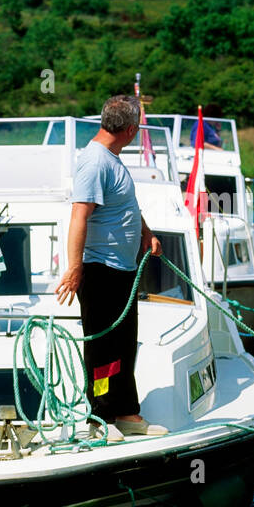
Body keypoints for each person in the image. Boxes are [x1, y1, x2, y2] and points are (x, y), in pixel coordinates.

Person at [54, 95, 167, 441]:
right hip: (100, 269)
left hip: (122, 269)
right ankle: (99, 417)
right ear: (131, 130)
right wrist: (75, 268)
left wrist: (147, 234)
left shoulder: (112, 159)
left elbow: (125, 206)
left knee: (123, 343)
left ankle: (127, 413)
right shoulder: (94, 162)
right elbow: (79, 215)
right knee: (102, 347)